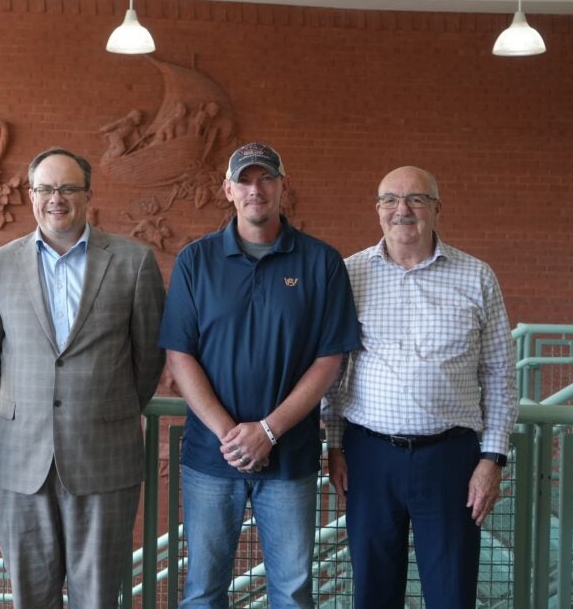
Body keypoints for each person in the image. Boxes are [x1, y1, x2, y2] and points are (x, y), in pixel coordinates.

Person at [159, 142, 361, 608]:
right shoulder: (195, 260)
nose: (256, 189)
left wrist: (268, 431)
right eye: (245, 181)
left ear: (283, 187)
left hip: (290, 458)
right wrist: (233, 435)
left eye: (266, 178)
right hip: (212, 458)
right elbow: (179, 355)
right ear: (227, 190)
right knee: (203, 592)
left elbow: (330, 359)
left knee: (291, 592)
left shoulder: (321, 262)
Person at [0, 147, 165, 608]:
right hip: (22, 457)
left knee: (96, 596)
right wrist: (17, 404)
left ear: (88, 195)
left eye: (68, 188)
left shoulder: (134, 262)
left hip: (104, 454)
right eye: (46, 188)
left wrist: (108, 407)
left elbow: (149, 353)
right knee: (31, 596)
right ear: (31, 195)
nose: (57, 198)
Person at [322, 166, 517, 608]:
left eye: (416, 199)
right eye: (390, 199)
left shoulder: (477, 277)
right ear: (377, 210)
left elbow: (501, 376)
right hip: (369, 458)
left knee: (451, 592)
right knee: (373, 591)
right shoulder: (349, 275)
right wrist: (334, 444)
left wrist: (492, 459)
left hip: (452, 461)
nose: (402, 210)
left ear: (436, 209)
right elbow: (333, 370)